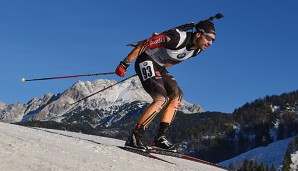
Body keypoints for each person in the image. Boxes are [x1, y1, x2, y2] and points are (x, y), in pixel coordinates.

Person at [115, 18, 217, 150]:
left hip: (159, 66)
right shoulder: (177, 37)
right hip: (146, 58)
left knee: (177, 96)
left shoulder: (196, 50)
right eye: (208, 38)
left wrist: (159, 69)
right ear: (198, 34)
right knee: (160, 99)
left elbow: (177, 59)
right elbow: (145, 44)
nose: (210, 43)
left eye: (213, 40)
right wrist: (125, 63)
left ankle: (159, 139)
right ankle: (135, 137)